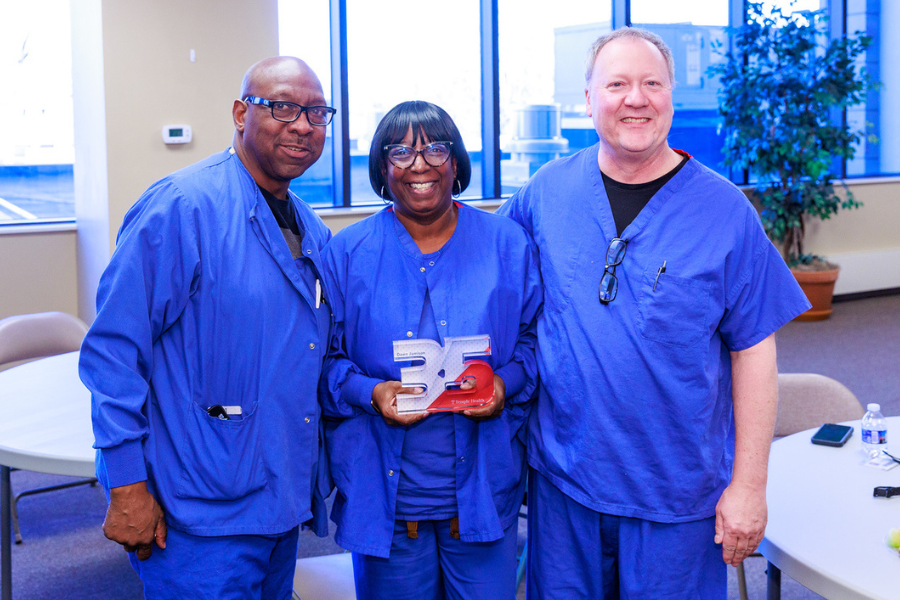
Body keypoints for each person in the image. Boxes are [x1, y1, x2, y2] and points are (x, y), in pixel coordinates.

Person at [497, 28, 812, 599]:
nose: (635, 98)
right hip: (565, 486)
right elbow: (486, 270)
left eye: (652, 83)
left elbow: (754, 349)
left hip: (676, 498)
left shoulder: (725, 211)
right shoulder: (546, 192)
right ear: (588, 100)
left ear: (672, 96)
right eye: (616, 83)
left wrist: (749, 485)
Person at [79, 56, 336, 599]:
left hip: (276, 498)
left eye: (316, 113)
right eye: (283, 106)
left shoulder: (309, 227)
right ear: (241, 113)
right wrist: (125, 483)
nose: (302, 125)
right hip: (200, 508)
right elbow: (114, 354)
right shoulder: (181, 208)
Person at [320, 100, 541, 600]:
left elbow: (534, 342)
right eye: (400, 152)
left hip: (484, 495)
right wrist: (371, 391)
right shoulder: (348, 254)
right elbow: (324, 360)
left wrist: (506, 384)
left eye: (435, 149)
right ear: (382, 168)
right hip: (388, 501)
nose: (419, 164)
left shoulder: (508, 246)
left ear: (457, 162)